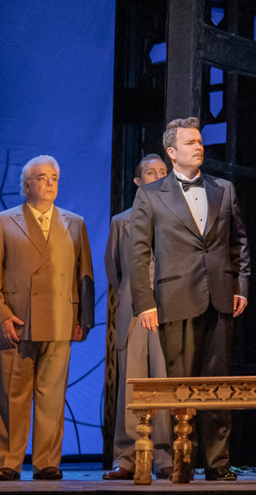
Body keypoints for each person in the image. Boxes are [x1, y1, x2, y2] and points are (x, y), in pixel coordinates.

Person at [129, 117, 250, 483]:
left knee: (218, 385)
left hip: (219, 297)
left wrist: (240, 286)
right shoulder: (151, 194)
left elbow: (239, 242)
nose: (198, 147)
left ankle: (218, 461)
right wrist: (145, 302)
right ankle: (183, 461)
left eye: (199, 142)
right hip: (176, 299)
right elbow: (138, 251)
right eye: (190, 143)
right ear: (172, 151)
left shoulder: (223, 189)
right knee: (182, 386)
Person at [0, 155, 94, 481]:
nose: (49, 183)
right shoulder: (3, 222)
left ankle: (47, 462)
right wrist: (1, 317)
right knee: (12, 397)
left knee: (52, 398)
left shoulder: (75, 222)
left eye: (54, 177)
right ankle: (8, 462)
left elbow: (85, 275)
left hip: (60, 321)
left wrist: (84, 319)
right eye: (42, 178)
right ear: (26, 185)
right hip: (17, 324)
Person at [104, 154, 173, 481]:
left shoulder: (177, 217)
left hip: (167, 311)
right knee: (131, 384)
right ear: (138, 181)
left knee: (163, 380)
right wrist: (134, 295)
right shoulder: (121, 222)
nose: (158, 176)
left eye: (162, 172)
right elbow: (115, 270)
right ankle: (127, 456)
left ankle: (164, 454)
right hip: (133, 311)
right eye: (151, 173)